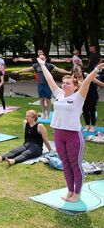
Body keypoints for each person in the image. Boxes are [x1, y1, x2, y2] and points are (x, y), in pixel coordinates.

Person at [37, 57, 104, 202]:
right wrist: (42, 65)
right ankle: (70, 190)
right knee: (65, 164)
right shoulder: (59, 95)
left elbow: (86, 82)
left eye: (67, 83)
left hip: (73, 135)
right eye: (63, 83)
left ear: (75, 86)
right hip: (58, 134)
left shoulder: (78, 97)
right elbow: (49, 79)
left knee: (75, 165)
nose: (64, 85)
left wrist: (96, 69)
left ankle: (77, 194)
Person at [13, 54, 71, 119]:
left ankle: (48, 114)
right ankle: (43, 113)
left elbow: (59, 69)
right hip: (40, 85)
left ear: (45, 59)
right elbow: (27, 69)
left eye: (43, 58)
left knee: (48, 100)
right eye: (40, 59)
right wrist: (18, 71)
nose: (42, 60)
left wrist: (68, 72)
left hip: (48, 85)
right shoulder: (36, 65)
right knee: (42, 100)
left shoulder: (49, 65)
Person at [72, 66, 104, 132]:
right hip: (82, 96)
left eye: (78, 72)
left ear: (82, 71)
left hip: (92, 95)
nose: (77, 74)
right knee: (85, 110)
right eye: (75, 72)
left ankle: (93, 126)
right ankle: (87, 125)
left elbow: (99, 83)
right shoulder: (73, 78)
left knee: (92, 110)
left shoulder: (88, 76)